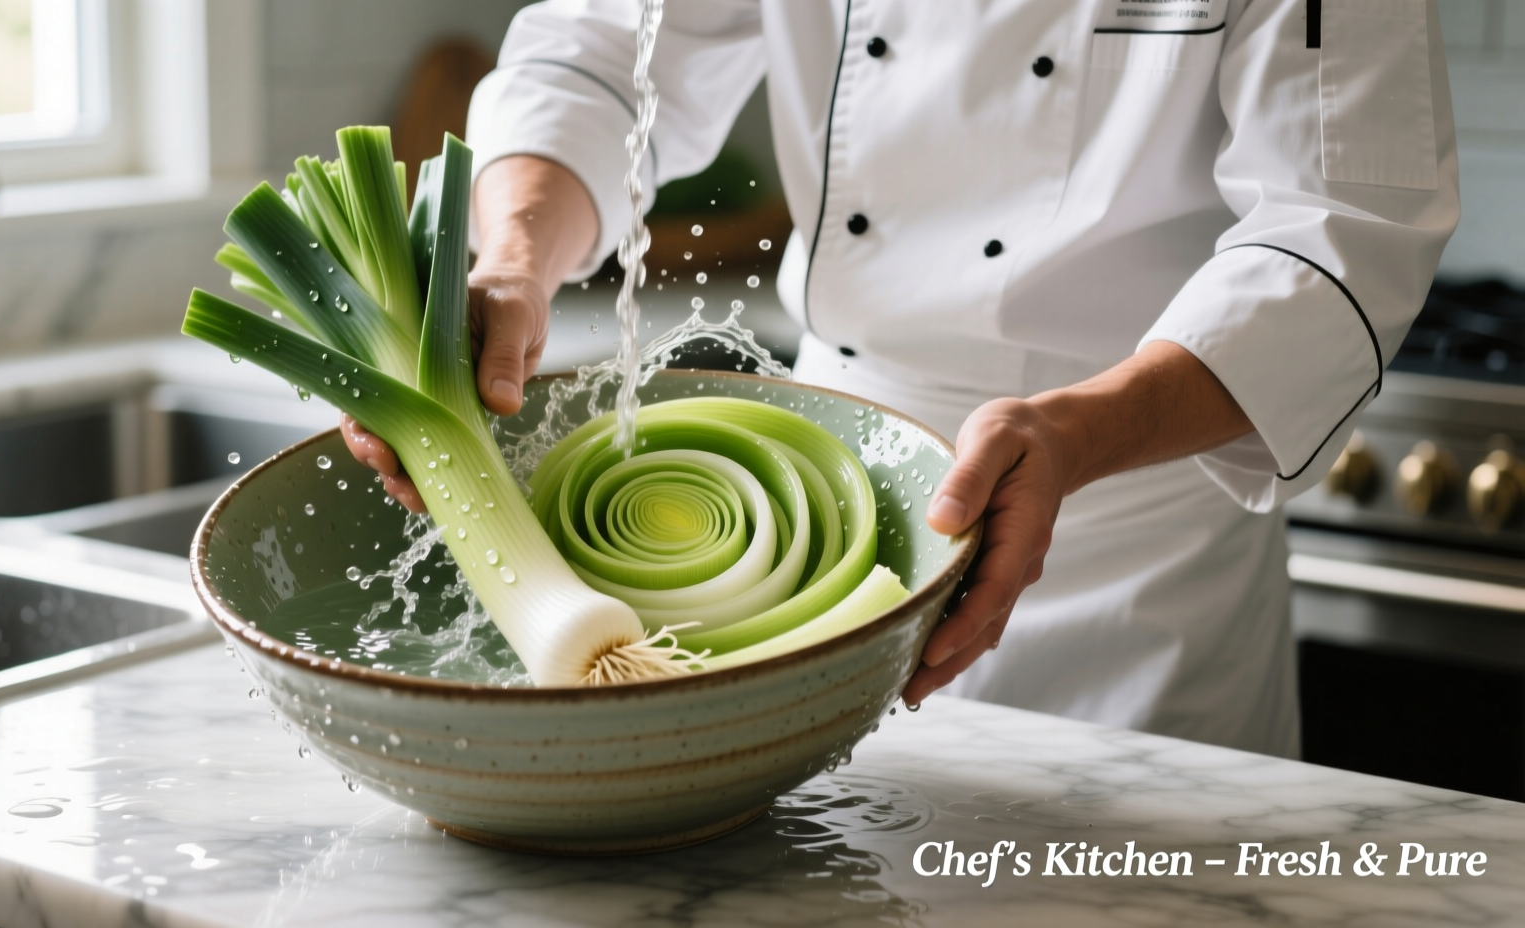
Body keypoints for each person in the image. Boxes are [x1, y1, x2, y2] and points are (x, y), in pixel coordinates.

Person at [343, 0, 1458, 758]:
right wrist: (511, 259)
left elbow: (1345, 221)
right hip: (825, 519)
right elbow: (594, 60)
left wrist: (1076, 432)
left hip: (1132, 539)